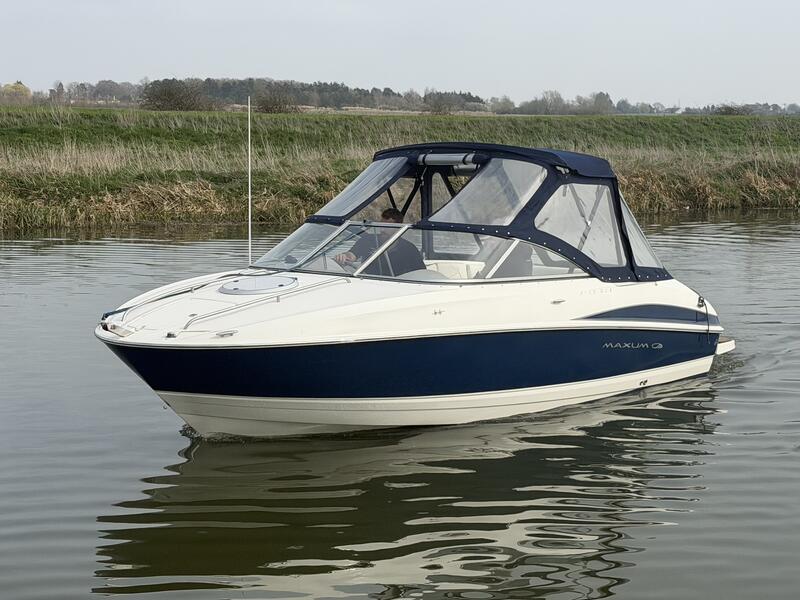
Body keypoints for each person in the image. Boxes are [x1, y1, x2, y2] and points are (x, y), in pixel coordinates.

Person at [334, 208, 425, 276]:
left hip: (396, 285)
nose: (382, 230)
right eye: (381, 225)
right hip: (368, 281)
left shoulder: (409, 249)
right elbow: (352, 255)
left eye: (387, 227)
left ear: (398, 228)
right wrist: (344, 256)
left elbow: (421, 272)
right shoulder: (368, 240)